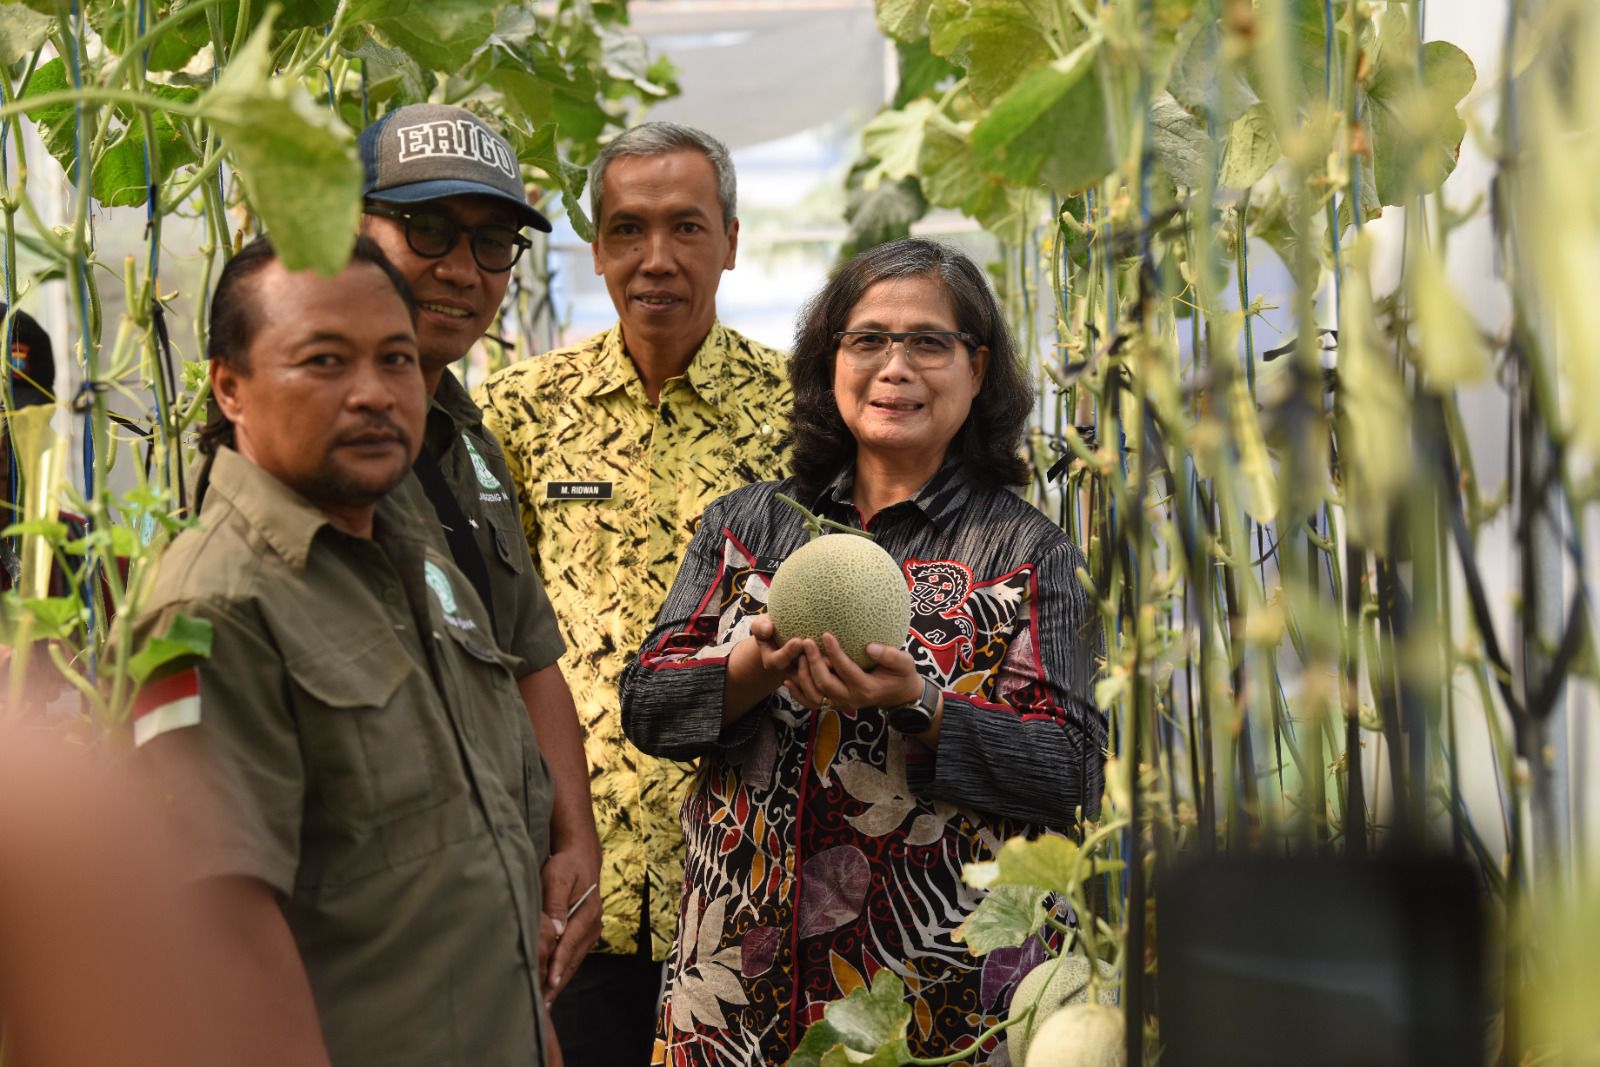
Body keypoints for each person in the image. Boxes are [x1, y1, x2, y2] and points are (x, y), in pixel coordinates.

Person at [618, 238, 1106, 1065]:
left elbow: (1074, 767)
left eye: (927, 341)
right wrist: (750, 669)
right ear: (829, 358)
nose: (895, 366)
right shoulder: (748, 525)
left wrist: (923, 705)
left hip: (938, 996)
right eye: (868, 338)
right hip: (739, 990)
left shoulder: (1031, 551)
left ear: (977, 368)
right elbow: (646, 702)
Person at [130, 236, 553, 1066]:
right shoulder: (210, 606)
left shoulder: (405, 541)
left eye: (396, 358)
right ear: (231, 387)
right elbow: (224, 934)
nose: (373, 393)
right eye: (324, 361)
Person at [477, 121, 793, 1063]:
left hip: (752, 875)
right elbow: (498, 637)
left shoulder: (803, 414)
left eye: (687, 228)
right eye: (629, 229)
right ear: (597, 246)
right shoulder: (520, 411)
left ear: (731, 241)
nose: (657, 259)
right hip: (575, 880)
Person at [356, 102, 601, 1011]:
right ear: (350, 226)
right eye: (426, 228)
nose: (461, 269)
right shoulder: (309, 452)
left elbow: (530, 657)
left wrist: (575, 845)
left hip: (503, 924)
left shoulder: (471, 439)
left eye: (492, 242)